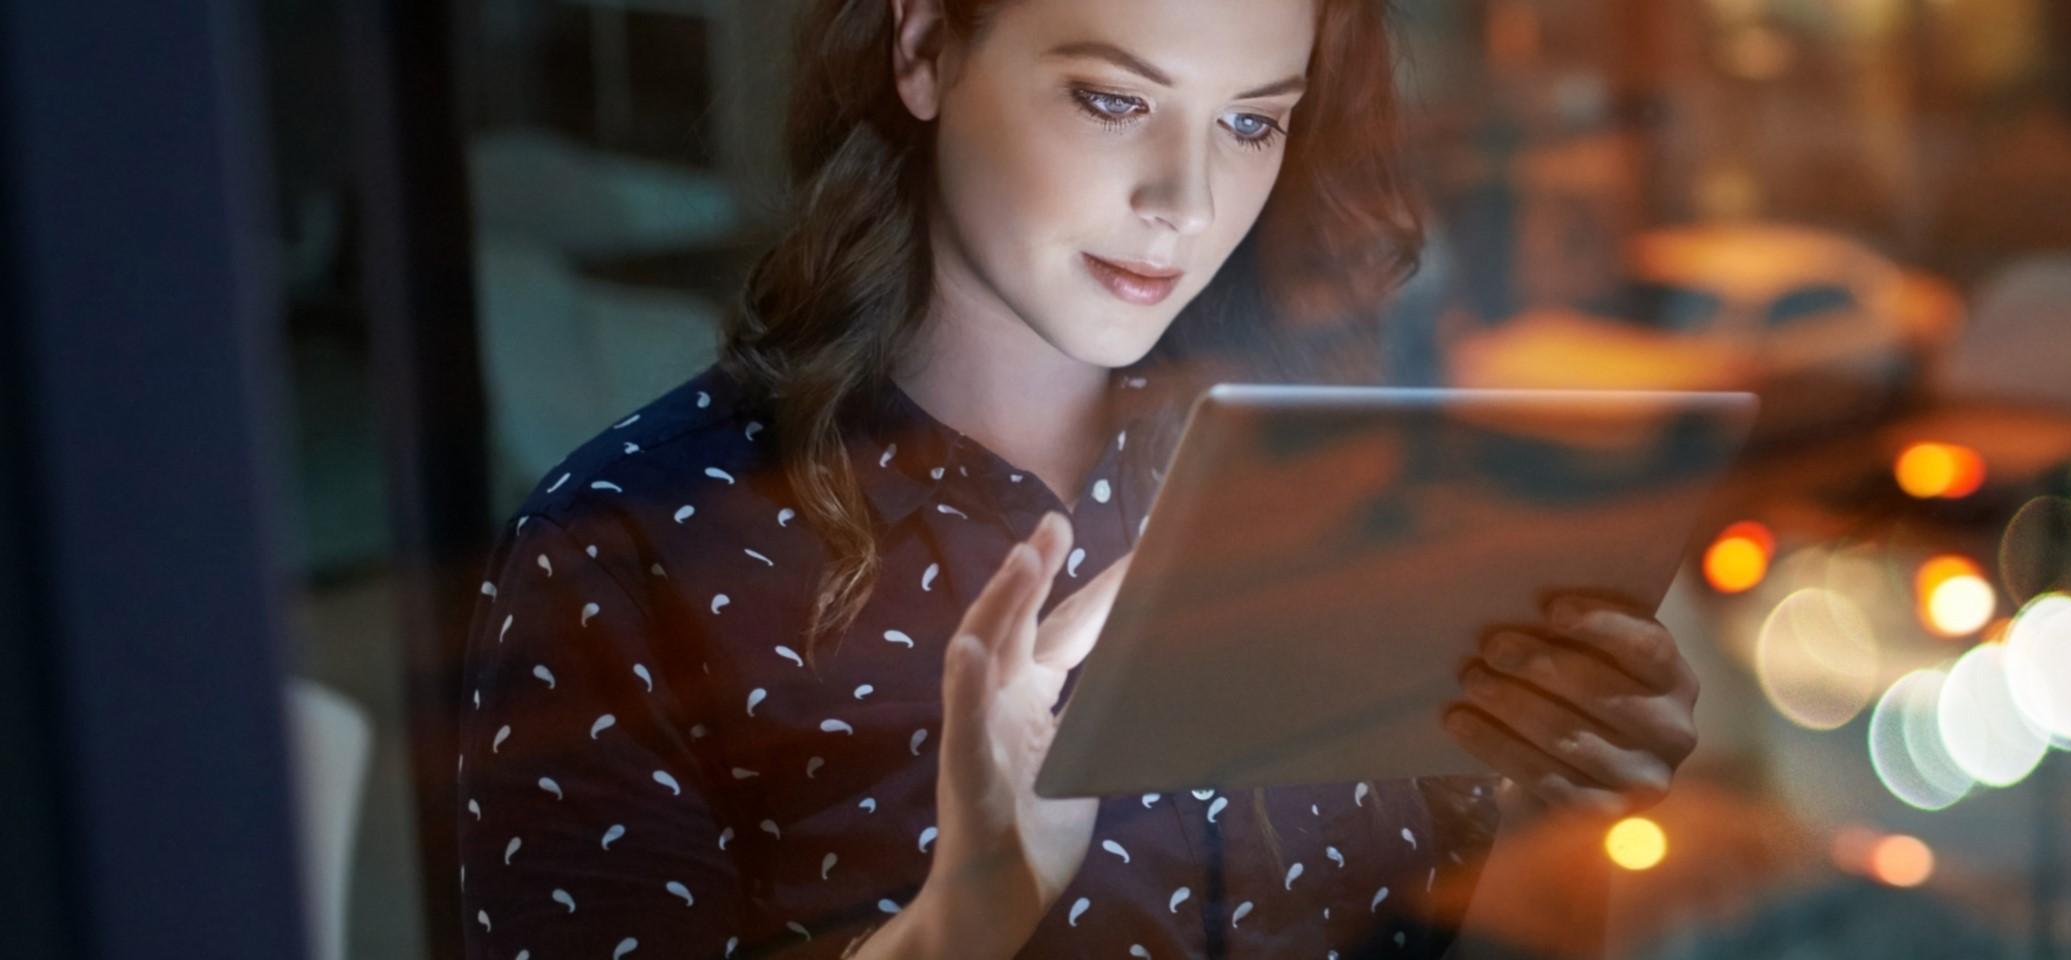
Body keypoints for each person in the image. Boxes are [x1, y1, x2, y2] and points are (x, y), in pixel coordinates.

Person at [449, 0, 1702, 955]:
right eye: (1111, 100)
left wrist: (1561, 793)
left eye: (1252, 120)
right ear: (927, 46)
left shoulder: (1339, 494)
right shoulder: (625, 549)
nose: (1187, 202)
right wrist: (962, 922)